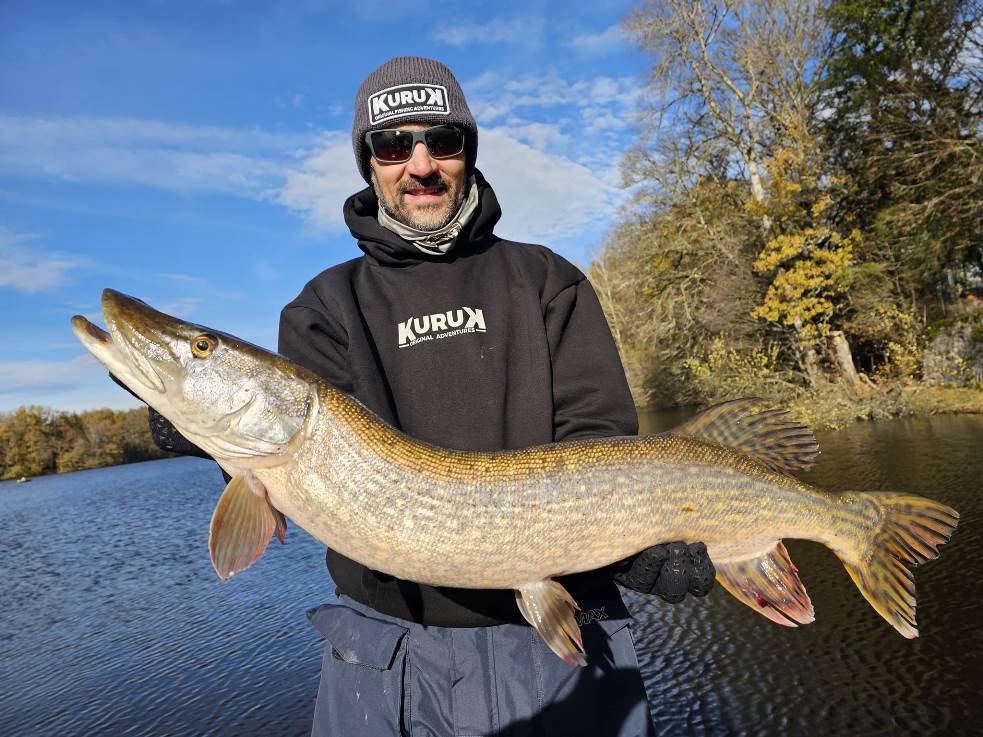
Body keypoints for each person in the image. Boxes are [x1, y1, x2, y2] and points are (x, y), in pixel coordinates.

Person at [131, 56, 715, 737]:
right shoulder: (324, 307)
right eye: (391, 145)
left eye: (442, 140)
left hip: (562, 639)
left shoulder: (546, 279)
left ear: (465, 152)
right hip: (385, 656)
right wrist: (209, 433)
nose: (419, 164)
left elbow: (598, 439)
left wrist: (633, 541)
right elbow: (284, 459)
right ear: (369, 163)